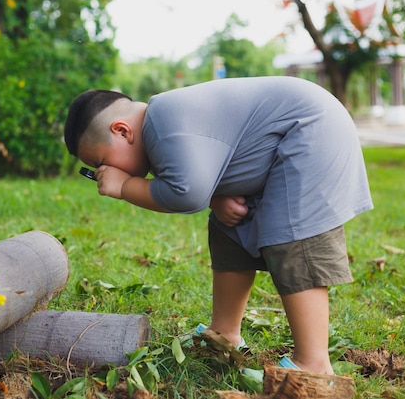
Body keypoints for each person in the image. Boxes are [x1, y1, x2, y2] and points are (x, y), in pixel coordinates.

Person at [63, 76, 373, 375]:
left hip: (312, 132)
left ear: (122, 131)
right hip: (280, 146)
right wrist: (215, 197)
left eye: (101, 161)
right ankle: (224, 334)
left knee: (291, 239)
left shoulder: (162, 124)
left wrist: (125, 186)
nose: (104, 171)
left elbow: (186, 194)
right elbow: (202, 175)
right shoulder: (160, 127)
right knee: (229, 225)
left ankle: (314, 364)